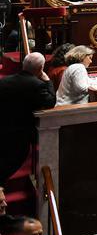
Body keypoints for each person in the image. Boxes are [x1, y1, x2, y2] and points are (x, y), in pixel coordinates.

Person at [0, 53, 55, 184]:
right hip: (20, 131)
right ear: (41, 68)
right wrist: (47, 81)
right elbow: (50, 102)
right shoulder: (38, 85)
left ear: (24, 65)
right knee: (16, 157)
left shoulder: (4, 80)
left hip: (3, 125)